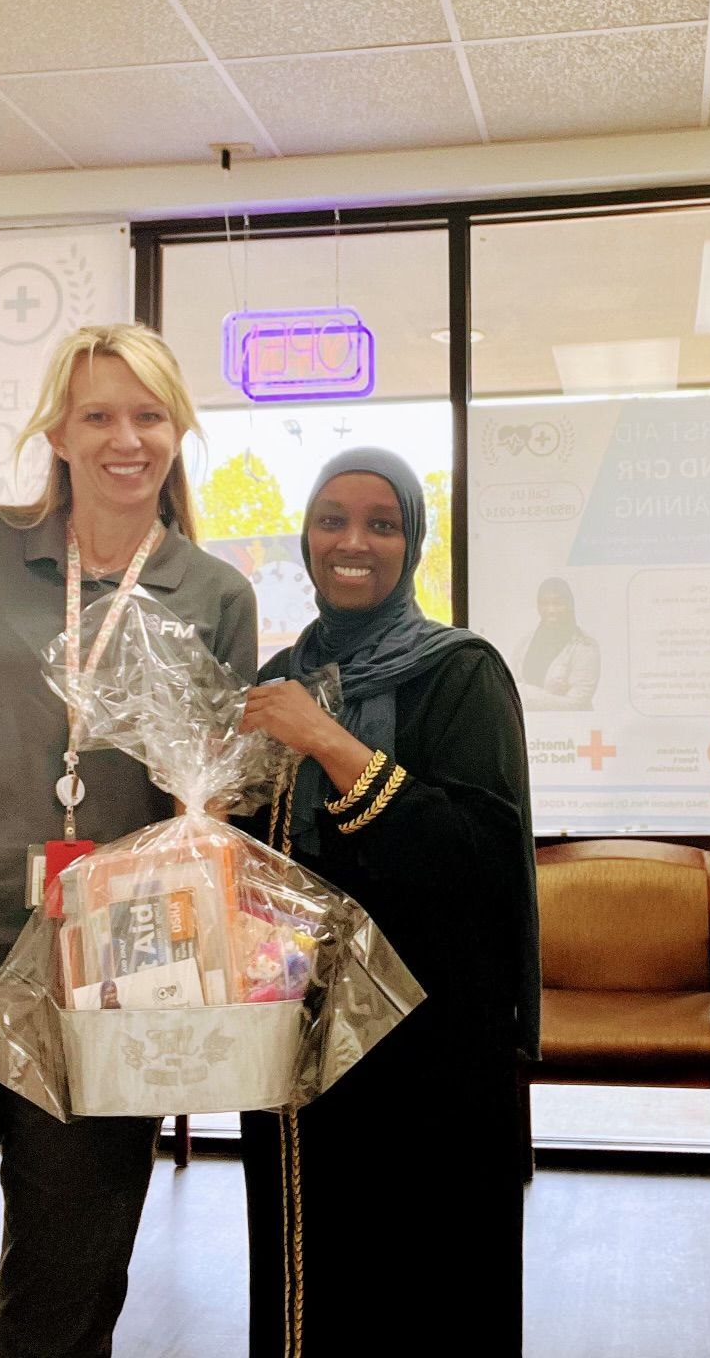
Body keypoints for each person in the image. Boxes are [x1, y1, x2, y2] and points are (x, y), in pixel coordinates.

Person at [0, 323, 258, 1358]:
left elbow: (206, 799)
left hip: (108, 979)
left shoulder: (216, 595)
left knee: (65, 1303)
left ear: (178, 430)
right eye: (98, 415)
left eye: (148, 415)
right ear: (57, 431)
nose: (125, 439)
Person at [239, 448, 539, 1358]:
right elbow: (257, 856)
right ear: (306, 538)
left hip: (432, 1044)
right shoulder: (279, 678)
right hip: (297, 1034)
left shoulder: (461, 672)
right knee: (308, 1278)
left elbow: (479, 861)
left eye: (382, 524)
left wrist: (331, 743)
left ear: (412, 543)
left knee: (430, 1281)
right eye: (331, 520)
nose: (353, 542)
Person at [515, 576, 600, 711]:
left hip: (573, 722)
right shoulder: (525, 642)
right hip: (531, 722)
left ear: (569, 605)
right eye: (545, 603)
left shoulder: (585, 646)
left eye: (558, 603)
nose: (551, 610)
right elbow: (513, 689)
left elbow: (577, 703)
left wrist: (529, 696)